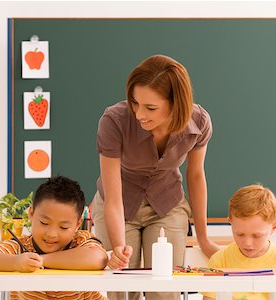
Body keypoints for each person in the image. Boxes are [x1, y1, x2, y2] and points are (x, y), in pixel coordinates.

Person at [91, 54, 219, 300]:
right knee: (121, 287)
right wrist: (117, 247)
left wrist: (203, 237)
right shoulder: (114, 121)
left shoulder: (199, 122)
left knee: (164, 287)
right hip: (119, 203)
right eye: (135, 103)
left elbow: (196, 176)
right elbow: (113, 197)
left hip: (166, 202)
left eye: (150, 107)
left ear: (176, 104)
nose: (139, 114)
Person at [0, 176, 108, 300]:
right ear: (31, 214)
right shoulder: (21, 246)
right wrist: (16, 262)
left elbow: (99, 258)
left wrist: (41, 260)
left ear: (77, 224)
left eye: (63, 227)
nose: (52, 234)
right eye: (44, 223)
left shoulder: (80, 240)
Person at [202, 184, 276, 300]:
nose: (247, 243)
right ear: (230, 223)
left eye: (257, 236)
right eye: (240, 234)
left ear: (274, 228)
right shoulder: (219, 261)